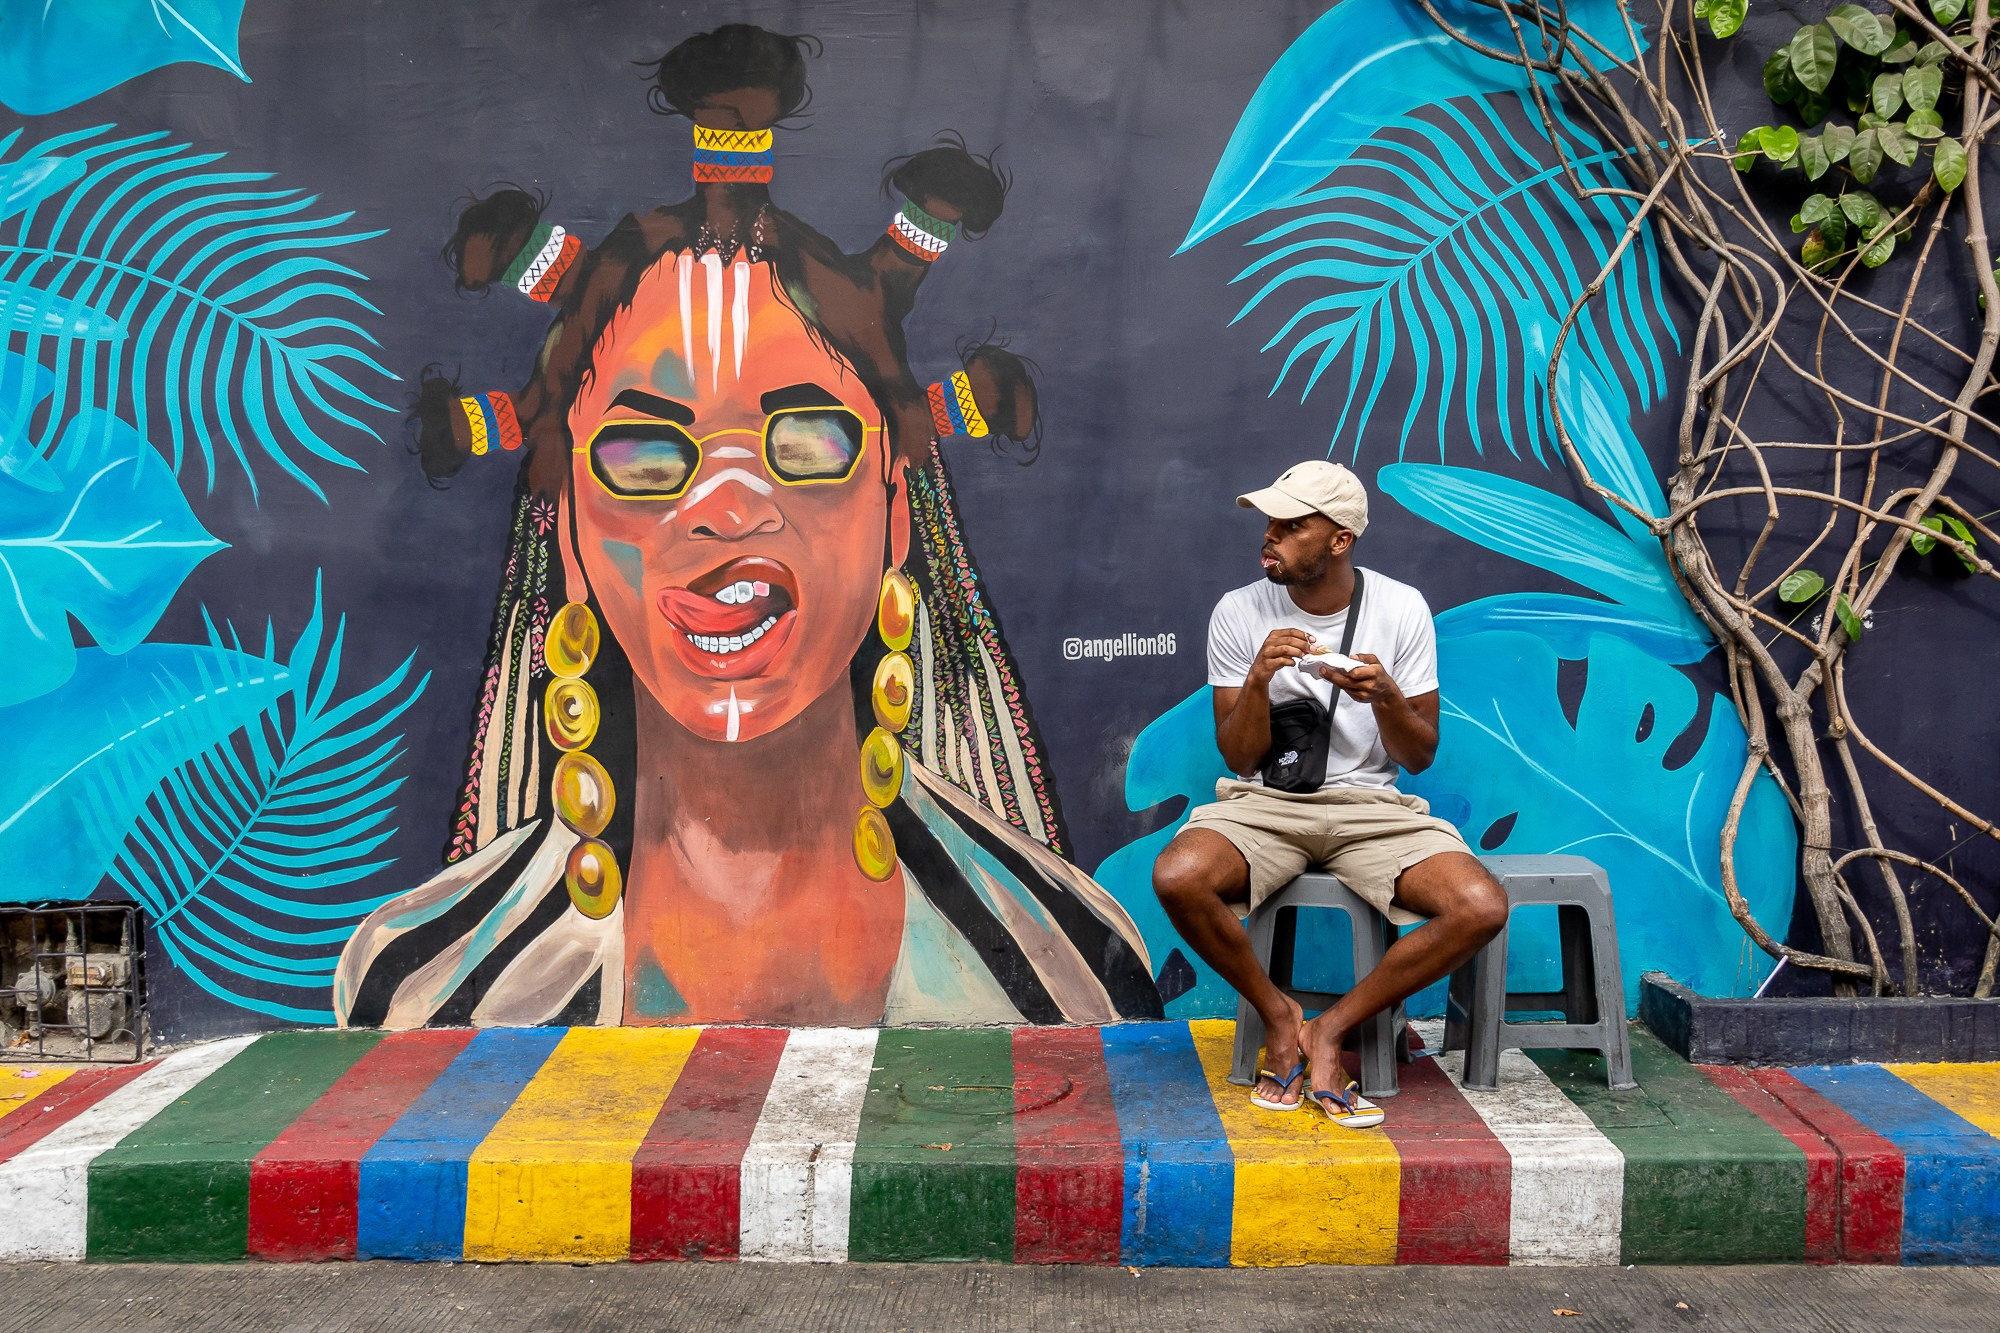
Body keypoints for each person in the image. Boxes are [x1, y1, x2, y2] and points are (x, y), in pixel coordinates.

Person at [332, 24, 1161, 1030]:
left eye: (806, 441)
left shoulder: (1071, 977)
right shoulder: (420, 991)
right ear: (572, 541)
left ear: (895, 514)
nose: (724, 506)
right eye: (645, 456)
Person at [1151, 460, 1507, 1127]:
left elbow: (1418, 754)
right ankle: (1280, 1015)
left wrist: (1386, 697)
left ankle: (1331, 1028)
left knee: (1480, 905)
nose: (1271, 535)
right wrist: (1258, 678)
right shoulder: (1238, 611)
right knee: (1177, 874)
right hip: (1267, 804)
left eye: (1292, 525)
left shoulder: (1401, 608)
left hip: (1371, 808)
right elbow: (1240, 756)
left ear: (1340, 539)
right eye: (1270, 522)